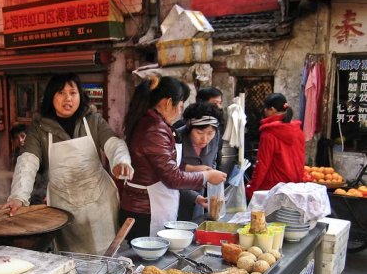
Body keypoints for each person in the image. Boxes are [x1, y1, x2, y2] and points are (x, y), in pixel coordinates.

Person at [1, 73, 133, 255]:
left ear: (80, 95)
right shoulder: (39, 129)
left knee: (107, 258)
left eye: (73, 92)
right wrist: (18, 197)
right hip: (64, 207)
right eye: (61, 93)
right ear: (51, 96)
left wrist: (121, 161)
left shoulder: (93, 120)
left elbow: (113, 142)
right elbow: (27, 161)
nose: (68, 98)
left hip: (99, 203)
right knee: (72, 260)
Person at [120, 76, 227, 238]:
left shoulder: (152, 123)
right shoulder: (154, 129)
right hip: (146, 210)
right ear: (168, 103)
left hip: (152, 205)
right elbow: (172, 178)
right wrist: (207, 176)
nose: (180, 112)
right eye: (180, 106)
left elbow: (164, 164)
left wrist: (192, 169)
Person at [246, 93, 305, 198]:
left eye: (265, 109)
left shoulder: (269, 133)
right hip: (293, 186)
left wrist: (251, 188)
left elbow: (262, 164)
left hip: (272, 187)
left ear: (272, 109)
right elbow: (300, 160)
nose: (264, 111)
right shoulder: (298, 131)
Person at [177, 102, 224, 221]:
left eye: (210, 133)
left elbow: (212, 161)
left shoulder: (216, 135)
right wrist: (192, 169)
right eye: (199, 133)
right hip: (177, 197)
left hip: (201, 197)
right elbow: (170, 173)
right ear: (189, 127)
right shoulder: (177, 137)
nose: (205, 139)